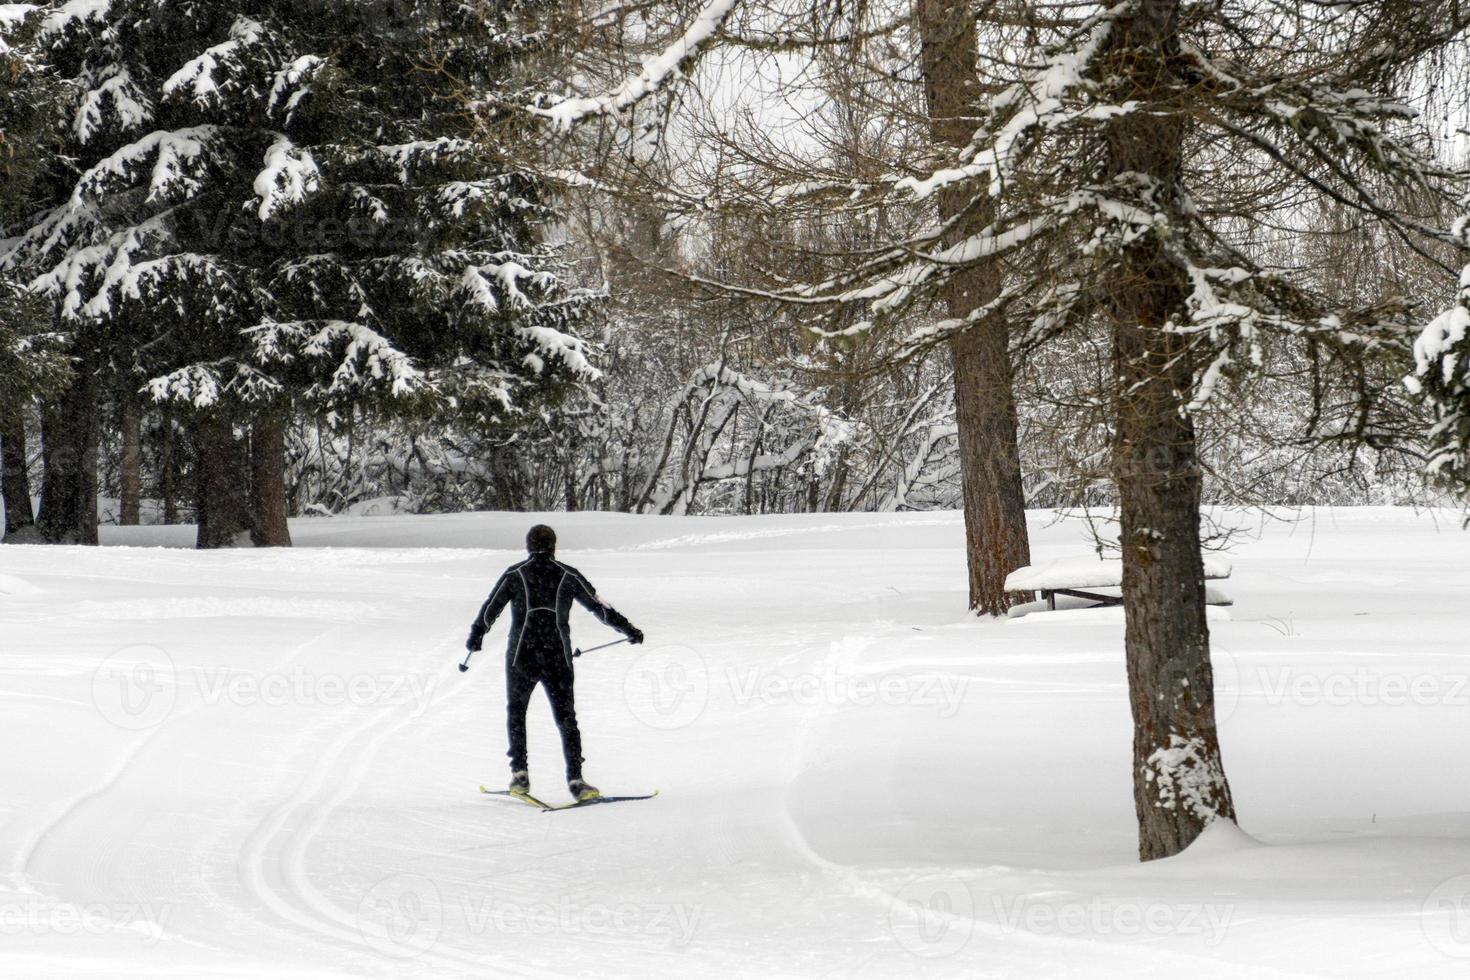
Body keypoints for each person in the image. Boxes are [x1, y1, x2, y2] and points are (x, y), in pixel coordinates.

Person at [465, 524, 643, 801]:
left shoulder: (515, 574)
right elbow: (601, 607)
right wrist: (629, 630)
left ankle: (519, 774)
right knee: (566, 718)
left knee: (517, 713)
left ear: (528, 546)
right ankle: (576, 780)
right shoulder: (568, 575)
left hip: (520, 657)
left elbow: (491, 608)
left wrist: (477, 636)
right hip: (556, 657)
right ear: (554, 546)